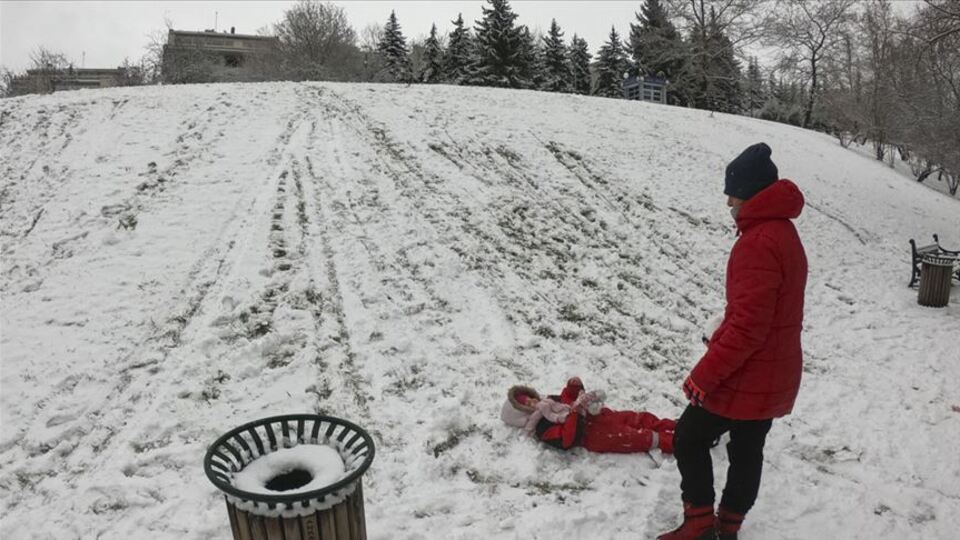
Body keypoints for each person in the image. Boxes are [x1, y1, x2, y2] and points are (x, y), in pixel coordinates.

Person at [658, 143, 808, 540]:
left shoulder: (758, 242)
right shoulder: (783, 233)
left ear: (753, 192)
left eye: (733, 192)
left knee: (689, 437)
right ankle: (728, 527)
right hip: (776, 368)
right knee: (747, 448)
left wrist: (702, 378)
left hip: (751, 371)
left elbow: (747, 328)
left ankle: (699, 525)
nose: (728, 201)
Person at [500, 377, 676, 454]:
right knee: (640, 437)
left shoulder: (549, 401)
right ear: (522, 414)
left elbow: (565, 399)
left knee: (638, 418)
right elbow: (567, 440)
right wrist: (576, 412)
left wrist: (573, 388)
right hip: (594, 436)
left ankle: (677, 426)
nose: (532, 402)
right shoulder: (542, 427)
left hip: (599, 416)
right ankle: (680, 443)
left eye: (530, 398)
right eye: (526, 404)